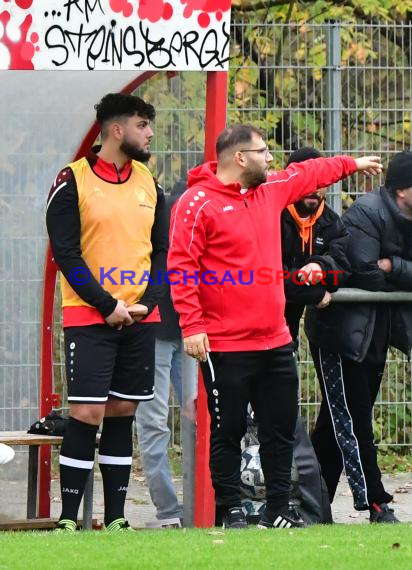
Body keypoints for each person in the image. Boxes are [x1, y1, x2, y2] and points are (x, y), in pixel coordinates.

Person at [167, 123, 382, 529]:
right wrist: (192, 325)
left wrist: (353, 163)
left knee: (280, 429)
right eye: (263, 151)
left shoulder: (270, 190)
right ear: (239, 157)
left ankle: (279, 509)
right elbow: (181, 267)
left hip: (275, 339)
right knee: (228, 430)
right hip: (225, 344)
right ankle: (230, 511)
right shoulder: (196, 203)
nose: (270, 159)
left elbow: (310, 173)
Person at [46, 93, 168, 532]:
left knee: (121, 411)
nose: (149, 133)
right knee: (87, 413)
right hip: (89, 317)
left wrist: (147, 303)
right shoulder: (72, 180)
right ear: (117, 130)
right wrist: (107, 304)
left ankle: (116, 520)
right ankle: (67, 519)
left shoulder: (149, 183)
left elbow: (161, 252)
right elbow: (65, 254)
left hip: (139, 319)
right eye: (142, 125)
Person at [305, 150, 412, 523]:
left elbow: (382, 271)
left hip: (374, 333)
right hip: (340, 334)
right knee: (354, 421)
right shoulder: (366, 212)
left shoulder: (401, 215)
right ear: (402, 190)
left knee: (337, 422)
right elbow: (365, 272)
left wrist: (393, 265)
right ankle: (377, 503)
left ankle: (311, 504)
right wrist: (394, 271)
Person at [136, 179, 197, 528]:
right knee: (159, 420)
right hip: (164, 331)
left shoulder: (183, 211)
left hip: (185, 332)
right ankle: (173, 509)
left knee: (175, 419)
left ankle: (184, 506)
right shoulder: (166, 213)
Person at [281, 147, 351, 345]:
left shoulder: (332, 222)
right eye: (308, 180)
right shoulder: (271, 215)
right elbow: (266, 276)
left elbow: (342, 267)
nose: (314, 187)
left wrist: (320, 267)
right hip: (250, 331)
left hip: (286, 335)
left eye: (321, 181)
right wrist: (314, 293)